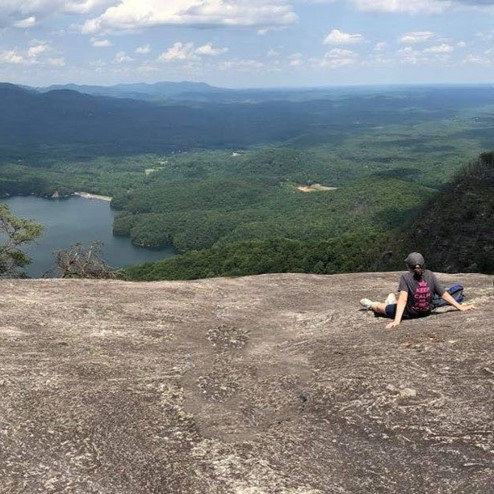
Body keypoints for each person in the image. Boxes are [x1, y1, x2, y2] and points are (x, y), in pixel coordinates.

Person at [360, 252, 476, 329]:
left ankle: (371, 304)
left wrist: (397, 321)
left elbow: (403, 300)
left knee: (379, 307)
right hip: (426, 312)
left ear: (408, 267)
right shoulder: (430, 274)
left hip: (409, 313)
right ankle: (390, 301)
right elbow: (443, 294)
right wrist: (460, 307)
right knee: (395, 304)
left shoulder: (406, 277)